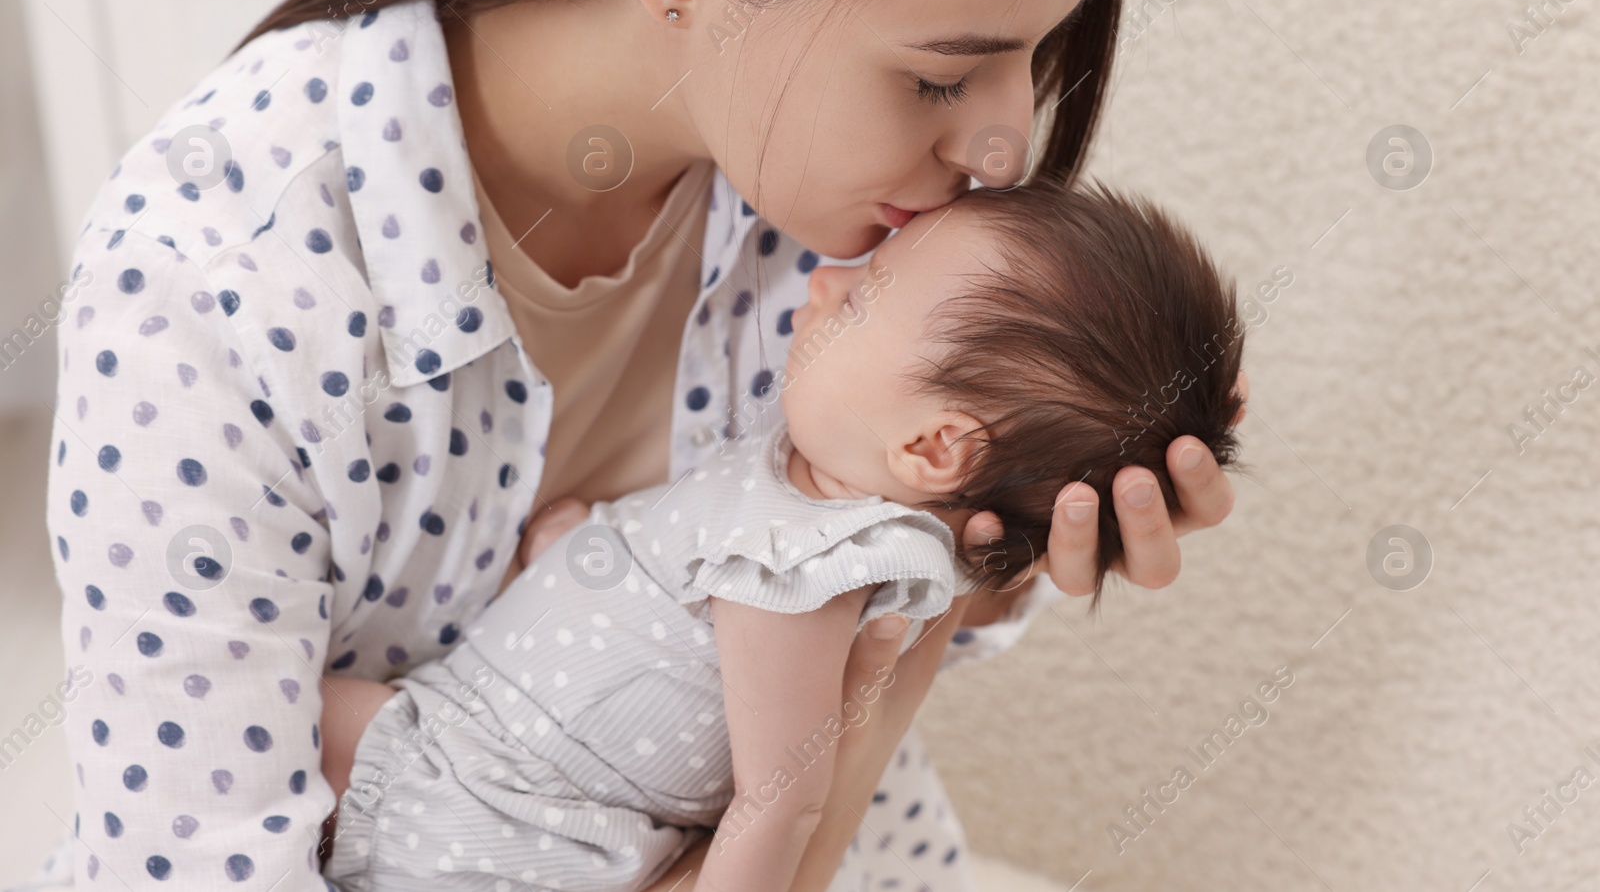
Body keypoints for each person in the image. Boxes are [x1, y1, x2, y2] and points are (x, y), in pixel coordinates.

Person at [28, 0, 1246, 888]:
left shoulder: (859, 211)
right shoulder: (213, 283)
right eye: (939, 73)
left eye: (1034, 55)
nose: (998, 142)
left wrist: (1015, 520)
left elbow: (856, 636)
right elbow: (190, 856)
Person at [313, 182, 1247, 891]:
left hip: (518, 825)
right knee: (268, 711)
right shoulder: (800, 481)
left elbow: (780, 796)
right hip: (467, 741)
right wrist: (580, 543)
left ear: (929, 445)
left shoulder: (804, 572)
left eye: (862, 297)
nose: (828, 282)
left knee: (281, 718)